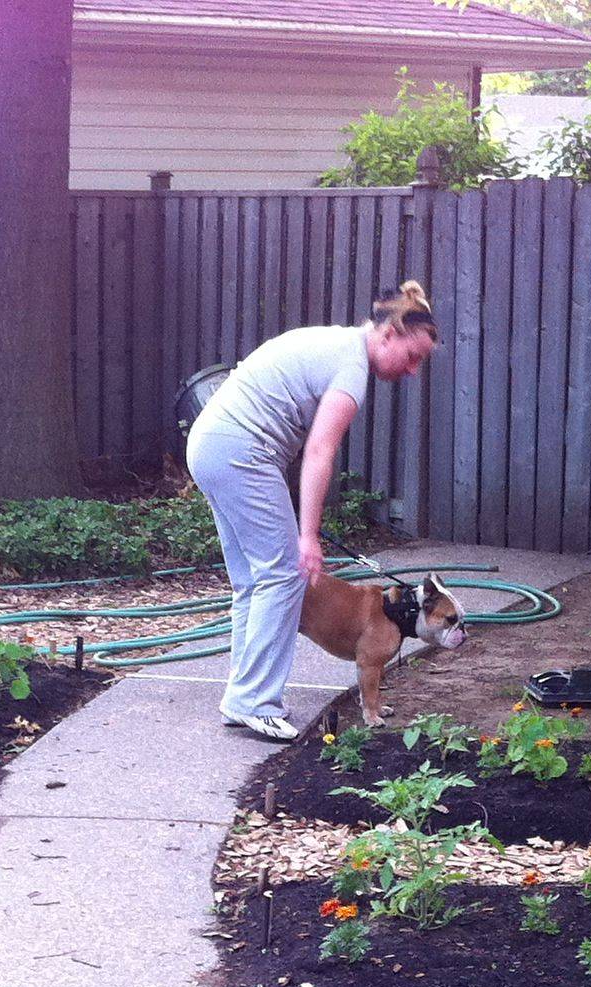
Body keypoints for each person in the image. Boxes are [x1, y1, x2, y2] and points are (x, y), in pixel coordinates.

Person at [185, 281, 439, 740]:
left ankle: (242, 698)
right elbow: (320, 451)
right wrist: (309, 534)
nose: (413, 371)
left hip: (212, 444)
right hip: (241, 450)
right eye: (413, 356)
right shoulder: (351, 367)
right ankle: (254, 702)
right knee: (284, 574)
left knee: (254, 580)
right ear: (389, 335)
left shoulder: (337, 344)